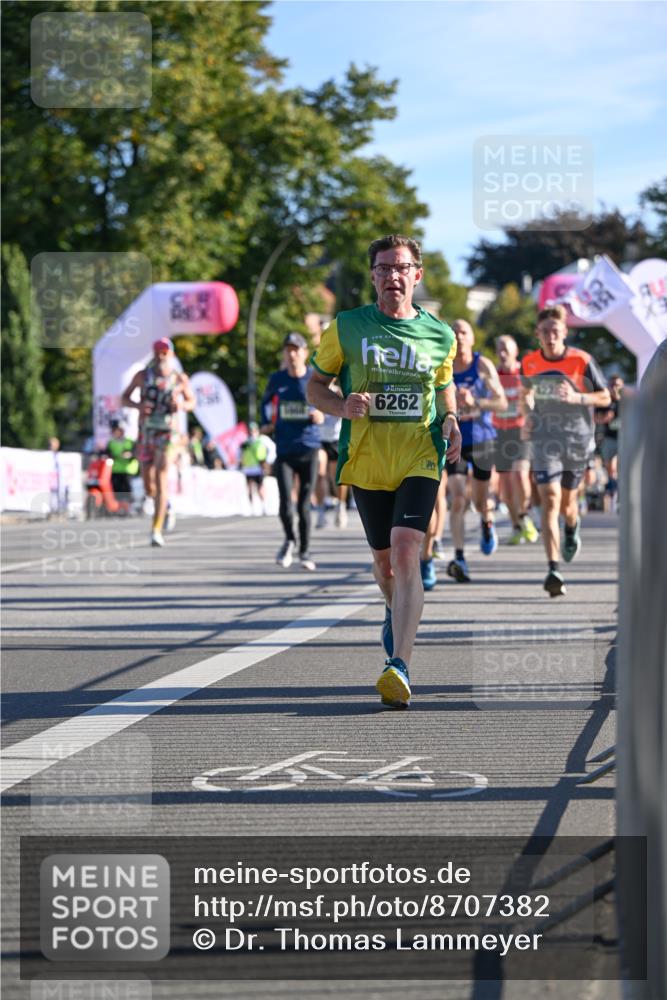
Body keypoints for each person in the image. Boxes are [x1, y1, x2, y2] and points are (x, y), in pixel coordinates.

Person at [307, 234, 461, 710]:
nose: (393, 276)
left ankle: (399, 666)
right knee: (383, 563)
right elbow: (314, 387)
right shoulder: (348, 326)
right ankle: (395, 610)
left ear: (417, 275)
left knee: (406, 547)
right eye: (384, 268)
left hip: (420, 453)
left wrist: (452, 420)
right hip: (369, 459)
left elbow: (444, 385)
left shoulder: (440, 335)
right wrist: (341, 405)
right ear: (373, 275)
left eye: (402, 268)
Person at [520, 305, 610, 597]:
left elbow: (605, 396)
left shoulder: (581, 360)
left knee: (568, 506)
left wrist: (576, 396)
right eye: (545, 332)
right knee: (550, 498)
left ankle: (572, 527)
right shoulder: (530, 362)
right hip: (545, 440)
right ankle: (553, 568)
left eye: (555, 331)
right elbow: (525, 394)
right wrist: (528, 413)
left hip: (577, 440)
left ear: (564, 332)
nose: (550, 336)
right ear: (538, 334)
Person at [444, 319, 507, 583]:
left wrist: (476, 402)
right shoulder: (444, 367)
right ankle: (459, 557)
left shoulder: (482, 365)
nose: (459, 336)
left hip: (483, 439)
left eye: (464, 332)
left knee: (480, 501)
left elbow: (502, 402)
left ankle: (486, 521)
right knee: (458, 497)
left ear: (472, 338)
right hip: (456, 439)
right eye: (454, 332)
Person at [121, 338, 195, 546]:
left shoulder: (179, 379)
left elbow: (192, 402)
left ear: (171, 354)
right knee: (148, 485)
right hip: (146, 433)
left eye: (164, 351)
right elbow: (124, 398)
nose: (160, 355)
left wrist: (180, 404)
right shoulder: (143, 376)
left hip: (169, 434)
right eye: (157, 351)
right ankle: (167, 506)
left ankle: (156, 530)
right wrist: (138, 406)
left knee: (162, 475)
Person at [260, 332, 324, 571]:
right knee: (286, 503)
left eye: (296, 349)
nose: (292, 354)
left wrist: (321, 414)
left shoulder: (313, 378)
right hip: (285, 448)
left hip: (309, 448)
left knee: (304, 505)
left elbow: (326, 401)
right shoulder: (277, 379)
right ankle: (289, 540)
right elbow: (264, 404)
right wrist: (265, 423)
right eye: (288, 350)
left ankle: (305, 552)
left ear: (305, 353)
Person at [493, 335, 539, 545]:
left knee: (520, 476)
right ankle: (516, 525)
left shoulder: (525, 372)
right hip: (499, 432)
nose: (502, 353)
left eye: (506, 349)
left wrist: (530, 404)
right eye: (499, 349)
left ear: (515, 351)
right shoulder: (493, 374)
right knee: (506, 486)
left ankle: (525, 515)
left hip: (520, 431)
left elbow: (536, 399)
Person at [315, 382, 349, 529]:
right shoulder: (314, 390)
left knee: (337, 477)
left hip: (336, 438)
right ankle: (321, 510)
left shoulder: (337, 391)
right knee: (319, 473)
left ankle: (340, 507)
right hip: (319, 439)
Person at [594, 374, 624, 512]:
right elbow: (596, 417)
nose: (615, 387)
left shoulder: (627, 400)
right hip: (609, 439)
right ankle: (614, 494)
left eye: (617, 384)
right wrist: (605, 418)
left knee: (622, 468)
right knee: (611, 469)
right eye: (612, 385)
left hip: (625, 439)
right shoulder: (605, 401)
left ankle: (621, 496)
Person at [105, 421, 139, 501]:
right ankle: (119, 508)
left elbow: (136, 453)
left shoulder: (130, 441)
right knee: (116, 491)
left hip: (128, 471)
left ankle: (129, 507)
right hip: (115, 470)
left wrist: (130, 455)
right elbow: (107, 453)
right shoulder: (111, 442)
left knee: (128, 491)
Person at [240, 422, 269, 514]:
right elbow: (241, 454)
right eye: (251, 431)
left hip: (258, 468)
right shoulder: (245, 443)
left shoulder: (261, 441)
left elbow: (267, 453)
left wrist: (266, 464)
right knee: (249, 488)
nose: (252, 432)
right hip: (248, 468)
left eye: (254, 430)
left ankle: (263, 506)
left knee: (260, 487)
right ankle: (251, 507)